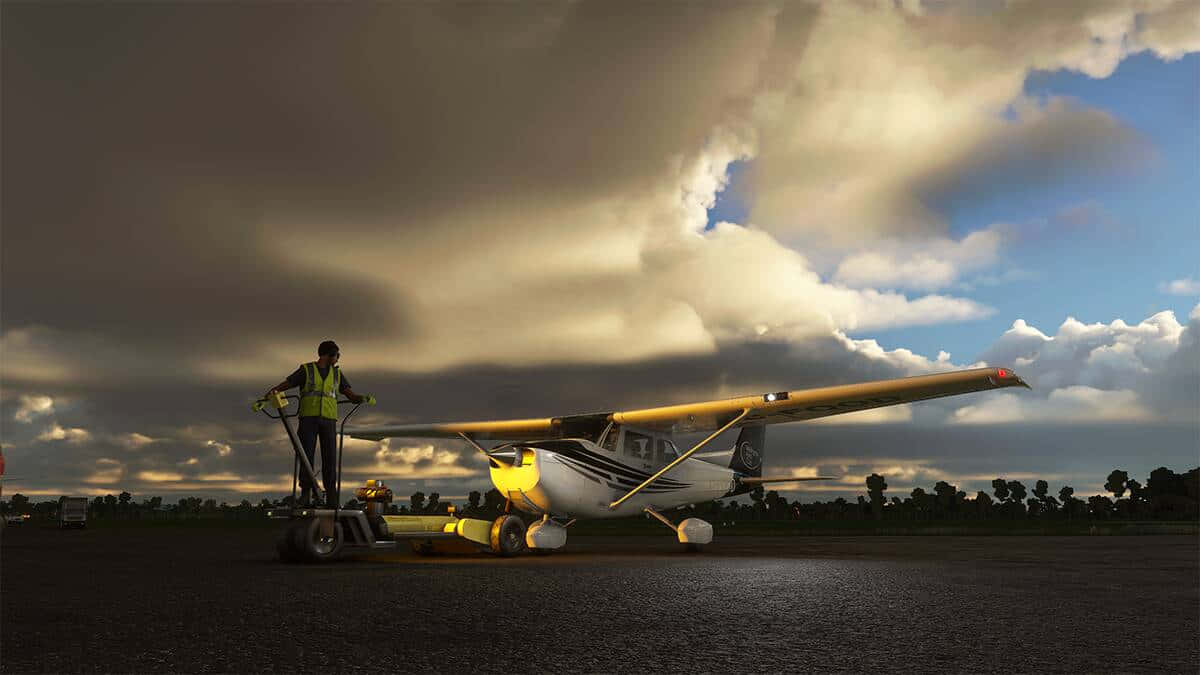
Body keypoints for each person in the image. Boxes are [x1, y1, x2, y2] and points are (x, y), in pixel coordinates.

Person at [264, 340, 373, 507]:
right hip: (308, 419)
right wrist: (271, 393)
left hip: (329, 421)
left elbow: (350, 395)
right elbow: (286, 384)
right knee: (305, 456)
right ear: (330, 354)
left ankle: (331, 498)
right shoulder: (306, 370)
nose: (338, 359)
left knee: (329, 458)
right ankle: (306, 494)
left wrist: (362, 398)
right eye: (337, 355)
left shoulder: (337, 374)